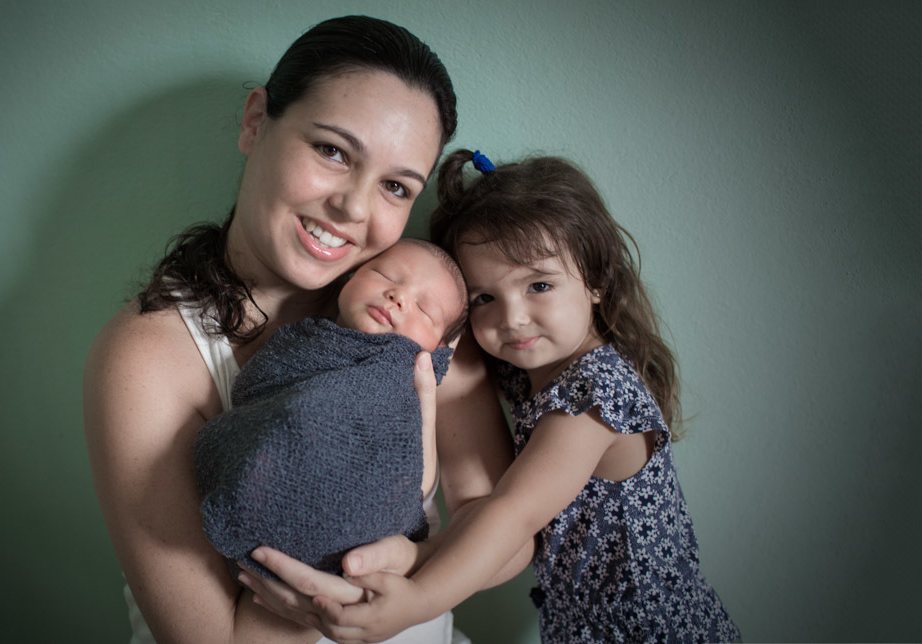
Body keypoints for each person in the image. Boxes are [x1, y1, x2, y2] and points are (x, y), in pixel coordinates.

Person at [84, 16, 524, 644]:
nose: (354, 207)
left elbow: (502, 538)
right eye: (332, 151)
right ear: (255, 120)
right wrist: (328, 604)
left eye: (396, 187)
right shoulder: (150, 357)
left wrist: (412, 573)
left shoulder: (418, 313)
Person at [312, 150, 741, 643]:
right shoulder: (529, 365)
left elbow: (512, 512)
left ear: (597, 279)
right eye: (484, 298)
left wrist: (421, 600)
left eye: (538, 284)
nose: (512, 318)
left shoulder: (596, 398)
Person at [194, 239, 468, 578]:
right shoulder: (302, 340)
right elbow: (254, 391)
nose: (399, 296)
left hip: (366, 540)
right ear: (349, 276)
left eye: (425, 310)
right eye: (385, 275)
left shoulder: (411, 379)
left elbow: (411, 479)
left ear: (438, 349)